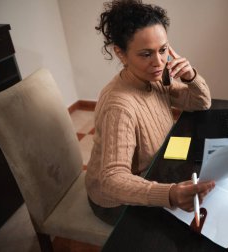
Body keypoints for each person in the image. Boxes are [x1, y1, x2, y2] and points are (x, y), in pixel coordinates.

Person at [85, 0, 215, 225]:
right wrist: (169, 194)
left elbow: (200, 102)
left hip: (154, 168)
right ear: (121, 54)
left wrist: (190, 76)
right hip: (114, 201)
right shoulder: (119, 106)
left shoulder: (155, 78)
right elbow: (112, 180)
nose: (159, 62)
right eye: (146, 54)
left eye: (163, 50)